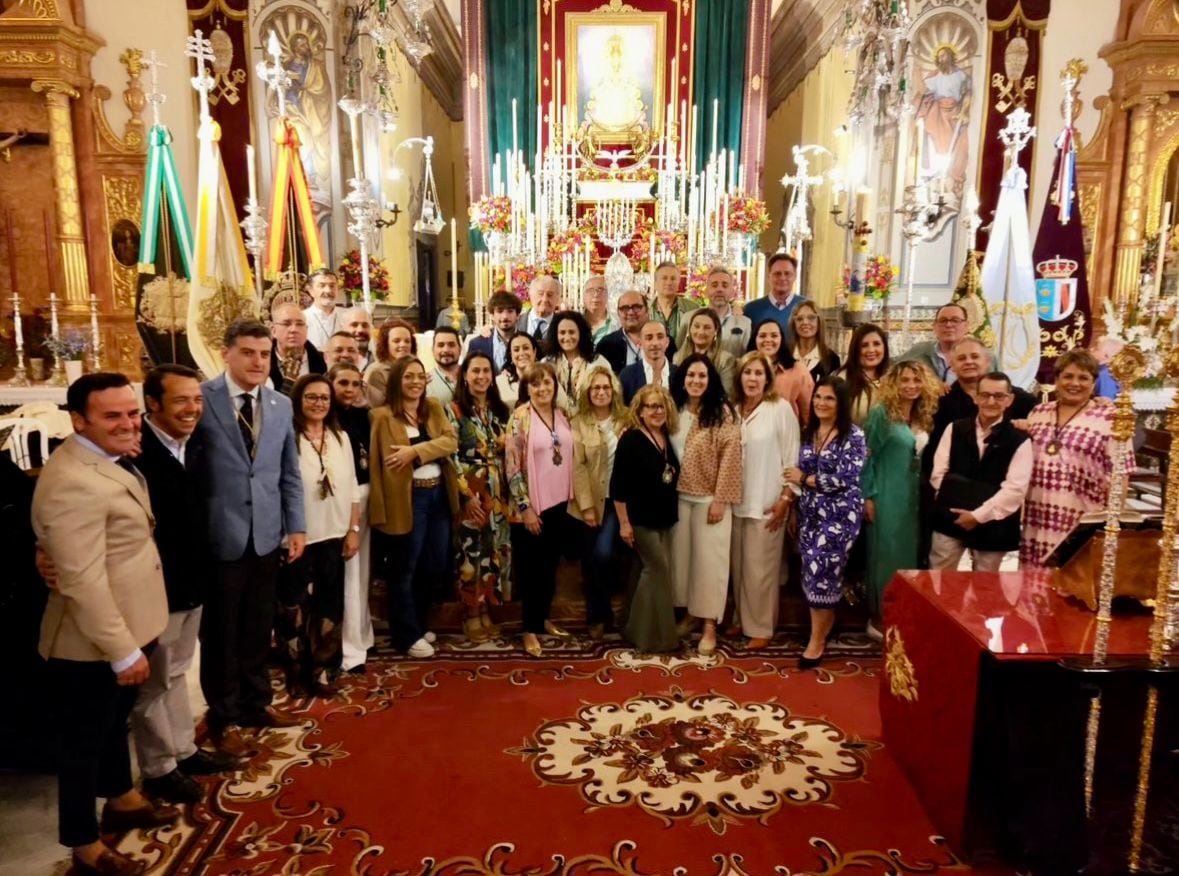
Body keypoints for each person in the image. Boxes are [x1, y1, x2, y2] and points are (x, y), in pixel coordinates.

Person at [32, 373, 178, 875]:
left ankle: (121, 797)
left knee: (114, 723)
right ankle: (84, 843)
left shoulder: (108, 459)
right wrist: (121, 649)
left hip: (130, 621)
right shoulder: (73, 479)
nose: (128, 423)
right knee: (82, 743)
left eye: (132, 412)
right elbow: (82, 580)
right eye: (112, 416)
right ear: (79, 420)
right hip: (90, 641)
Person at [130, 366, 236, 806]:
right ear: (152, 404)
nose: (193, 408)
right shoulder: (137, 455)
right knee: (154, 682)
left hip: (193, 578)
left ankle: (184, 749)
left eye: (196, 400)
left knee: (176, 671)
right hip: (159, 586)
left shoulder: (192, 447)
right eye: (181, 400)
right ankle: (158, 768)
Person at [198, 320, 306, 749]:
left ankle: (256, 700)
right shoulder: (203, 399)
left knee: (258, 625)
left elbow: (288, 472)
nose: (258, 361)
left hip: (265, 532)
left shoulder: (279, 404)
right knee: (222, 630)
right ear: (226, 353)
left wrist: (295, 525)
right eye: (248, 353)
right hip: (220, 531)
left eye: (264, 354)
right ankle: (223, 714)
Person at [369, 356, 458, 657]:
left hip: (437, 496)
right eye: (409, 376)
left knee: (432, 564)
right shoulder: (381, 417)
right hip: (407, 499)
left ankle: (419, 624)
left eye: (420, 375)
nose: (416, 381)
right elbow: (381, 468)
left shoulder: (432, 407)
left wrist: (415, 452)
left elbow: (450, 441)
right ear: (397, 380)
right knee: (404, 568)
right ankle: (405, 635)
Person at [278, 375, 360, 697]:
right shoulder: (288, 437)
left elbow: (353, 485)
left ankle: (324, 670)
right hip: (298, 535)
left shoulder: (340, 437)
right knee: (293, 608)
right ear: (298, 400)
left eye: (324, 397)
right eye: (311, 397)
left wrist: (352, 530)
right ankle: (296, 673)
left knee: (330, 605)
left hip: (335, 531)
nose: (319, 403)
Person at [1019, 349, 1134, 570]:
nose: (1075, 383)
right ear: (1057, 379)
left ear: (1093, 383)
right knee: (1032, 586)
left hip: (1081, 518)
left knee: (1074, 585)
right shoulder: (1039, 412)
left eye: (1083, 378)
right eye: (1068, 376)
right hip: (1038, 516)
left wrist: (1113, 521)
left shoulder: (1110, 418)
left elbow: (1121, 475)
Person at [786, 377, 867, 669]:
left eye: (829, 398)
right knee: (810, 570)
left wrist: (806, 480)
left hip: (839, 514)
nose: (821, 402)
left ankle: (816, 640)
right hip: (809, 512)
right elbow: (797, 472)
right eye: (818, 397)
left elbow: (847, 478)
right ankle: (824, 622)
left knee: (823, 568)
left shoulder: (853, 436)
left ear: (841, 403)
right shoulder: (808, 433)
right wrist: (795, 508)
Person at [669, 353, 743, 656]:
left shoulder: (722, 413)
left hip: (710, 500)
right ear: (682, 379)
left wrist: (721, 499)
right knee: (684, 562)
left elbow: (731, 456)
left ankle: (710, 623)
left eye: (702, 376)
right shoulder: (675, 410)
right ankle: (690, 613)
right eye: (690, 375)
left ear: (710, 380)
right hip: (678, 500)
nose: (695, 381)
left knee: (710, 563)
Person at [861, 361, 940, 637]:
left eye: (916, 381)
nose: (911, 386)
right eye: (904, 380)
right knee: (886, 556)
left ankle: (902, 614)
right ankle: (880, 617)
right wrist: (867, 496)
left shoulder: (924, 414)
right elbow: (865, 457)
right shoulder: (881, 415)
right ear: (894, 384)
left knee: (910, 557)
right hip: (886, 494)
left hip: (915, 498)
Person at [930, 371, 1033, 572]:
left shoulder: (1020, 440)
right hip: (952, 515)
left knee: (985, 587)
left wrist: (978, 515)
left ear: (1009, 399)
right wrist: (955, 504)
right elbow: (938, 474)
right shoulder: (955, 429)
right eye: (985, 395)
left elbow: (1015, 489)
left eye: (999, 396)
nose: (991, 401)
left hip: (995, 521)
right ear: (976, 397)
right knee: (939, 579)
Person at [505, 362, 575, 657]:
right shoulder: (519, 417)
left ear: (555, 385)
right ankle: (528, 630)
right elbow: (511, 466)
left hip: (561, 502)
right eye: (536, 384)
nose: (542, 388)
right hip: (532, 505)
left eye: (547, 383)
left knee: (549, 567)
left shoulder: (562, 414)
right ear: (527, 388)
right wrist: (526, 507)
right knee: (531, 570)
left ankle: (543, 618)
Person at [730, 352, 799, 648]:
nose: (753, 379)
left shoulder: (780, 409)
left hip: (768, 500)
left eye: (759, 373)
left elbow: (791, 455)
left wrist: (786, 497)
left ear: (767, 379)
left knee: (762, 570)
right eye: (748, 373)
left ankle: (761, 627)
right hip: (735, 501)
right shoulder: (733, 409)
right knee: (739, 567)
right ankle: (740, 620)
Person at [612, 385, 682, 653]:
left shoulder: (664, 435)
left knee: (641, 571)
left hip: (663, 517)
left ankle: (628, 623)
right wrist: (624, 523)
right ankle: (651, 635)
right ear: (639, 411)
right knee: (658, 570)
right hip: (639, 520)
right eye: (651, 406)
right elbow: (618, 487)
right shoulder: (630, 440)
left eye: (661, 406)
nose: (657, 411)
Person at [449, 351, 512, 642]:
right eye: (475, 371)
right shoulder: (454, 410)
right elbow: (450, 456)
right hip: (472, 491)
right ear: (465, 374)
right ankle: (471, 612)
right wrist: (465, 496)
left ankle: (487, 607)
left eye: (486, 371)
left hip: (498, 491)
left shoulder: (500, 410)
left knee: (493, 552)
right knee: (472, 553)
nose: (481, 376)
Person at [568, 365, 628, 639]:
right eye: (596, 388)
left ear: (613, 390)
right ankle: (598, 616)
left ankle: (612, 613)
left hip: (619, 500)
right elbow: (577, 466)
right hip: (589, 501)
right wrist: (587, 506)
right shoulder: (579, 422)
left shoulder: (626, 418)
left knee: (604, 555)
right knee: (590, 560)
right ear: (588, 392)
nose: (601, 392)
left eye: (606, 387)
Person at [328, 363, 374, 674]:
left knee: (361, 570)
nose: (349, 389)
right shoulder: (324, 418)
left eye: (355, 384)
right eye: (342, 382)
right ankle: (348, 648)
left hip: (364, 493)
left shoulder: (361, 416)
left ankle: (362, 635)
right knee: (347, 571)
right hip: (338, 498)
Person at [928, 337, 1037, 461]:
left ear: (987, 361)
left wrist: (1030, 424)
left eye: (975, 356)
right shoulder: (941, 400)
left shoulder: (1015, 396)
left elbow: (1042, 420)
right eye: (961, 358)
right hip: (956, 475)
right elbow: (934, 446)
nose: (968, 362)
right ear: (952, 366)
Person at [750, 317, 815, 426]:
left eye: (774, 336)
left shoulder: (798, 370)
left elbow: (808, 412)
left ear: (782, 339)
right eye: (762, 336)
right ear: (754, 339)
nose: (768, 340)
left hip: (787, 435)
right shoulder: (744, 368)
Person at [545, 309, 609, 410]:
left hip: (589, 420)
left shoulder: (598, 362)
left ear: (581, 333)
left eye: (572, 332)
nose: (567, 337)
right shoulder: (547, 363)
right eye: (562, 332)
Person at [898, 302, 972, 384]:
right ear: (934, 326)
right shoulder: (919, 351)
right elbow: (893, 370)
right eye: (943, 320)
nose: (948, 325)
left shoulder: (978, 356)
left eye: (955, 320)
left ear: (966, 326)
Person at [673, 308, 738, 396]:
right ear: (690, 329)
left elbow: (727, 395)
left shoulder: (726, 360)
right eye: (696, 326)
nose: (700, 332)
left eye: (707, 327)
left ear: (716, 331)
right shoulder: (677, 357)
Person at [836, 322, 889, 425]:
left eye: (876, 344)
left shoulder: (893, 377)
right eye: (864, 345)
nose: (871, 350)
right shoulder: (842, 379)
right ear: (855, 349)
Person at [270, 300, 326, 394]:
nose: (293, 329)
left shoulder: (323, 362)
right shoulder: (262, 363)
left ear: (306, 329)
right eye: (286, 324)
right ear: (273, 331)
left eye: (300, 324)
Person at [743, 253, 806, 334]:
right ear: (769, 277)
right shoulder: (751, 310)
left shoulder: (806, 307)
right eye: (777, 274)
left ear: (795, 277)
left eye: (787, 274)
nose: (782, 278)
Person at [619, 319, 676, 404]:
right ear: (640, 343)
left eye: (660, 337)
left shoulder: (679, 373)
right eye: (649, 338)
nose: (655, 343)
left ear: (667, 342)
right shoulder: (627, 375)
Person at [364, 317, 417, 408]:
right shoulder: (376, 371)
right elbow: (379, 408)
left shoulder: (414, 368)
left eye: (407, 341)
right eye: (396, 341)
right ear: (385, 343)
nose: (403, 345)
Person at [596, 288, 652, 373]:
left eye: (636, 307)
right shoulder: (606, 345)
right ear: (618, 313)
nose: (630, 312)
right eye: (624, 308)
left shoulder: (662, 341)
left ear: (647, 310)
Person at [701, 266, 752, 358]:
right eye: (714, 285)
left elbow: (748, 357)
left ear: (732, 291)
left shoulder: (745, 323)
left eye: (725, 285)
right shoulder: (694, 319)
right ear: (706, 291)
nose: (719, 289)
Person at [788, 299, 841, 384]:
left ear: (819, 322)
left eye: (811, 318)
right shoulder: (784, 355)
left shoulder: (832, 359)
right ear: (793, 324)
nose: (805, 322)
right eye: (799, 319)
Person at [468, 290, 521, 372]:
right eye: (499, 311)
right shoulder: (477, 344)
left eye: (510, 311)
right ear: (492, 315)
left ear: (518, 315)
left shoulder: (528, 342)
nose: (505, 316)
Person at [650, 260, 699, 343]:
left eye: (673, 279)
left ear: (679, 283)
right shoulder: (645, 309)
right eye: (664, 278)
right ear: (655, 283)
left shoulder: (692, 309)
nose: (669, 283)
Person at [303, 268, 343, 351]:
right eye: (322, 286)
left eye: (332, 286)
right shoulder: (302, 318)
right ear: (311, 291)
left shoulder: (348, 316)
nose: (328, 290)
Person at [519, 274, 562, 339]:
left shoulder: (562, 325)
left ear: (557, 298)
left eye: (550, 295)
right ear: (530, 295)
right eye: (540, 294)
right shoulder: (516, 322)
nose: (544, 299)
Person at [427, 325, 462, 405]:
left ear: (460, 349)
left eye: (451, 345)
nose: (446, 350)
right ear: (433, 350)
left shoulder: (472, 376)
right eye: (440, 345)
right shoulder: (426, 382)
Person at [582, 274, 618, 343]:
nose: (596, 294)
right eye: (591, 290)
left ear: (607, 295)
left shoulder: (619, 322)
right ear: (583, 296)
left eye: (600, 290)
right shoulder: (573, 322)